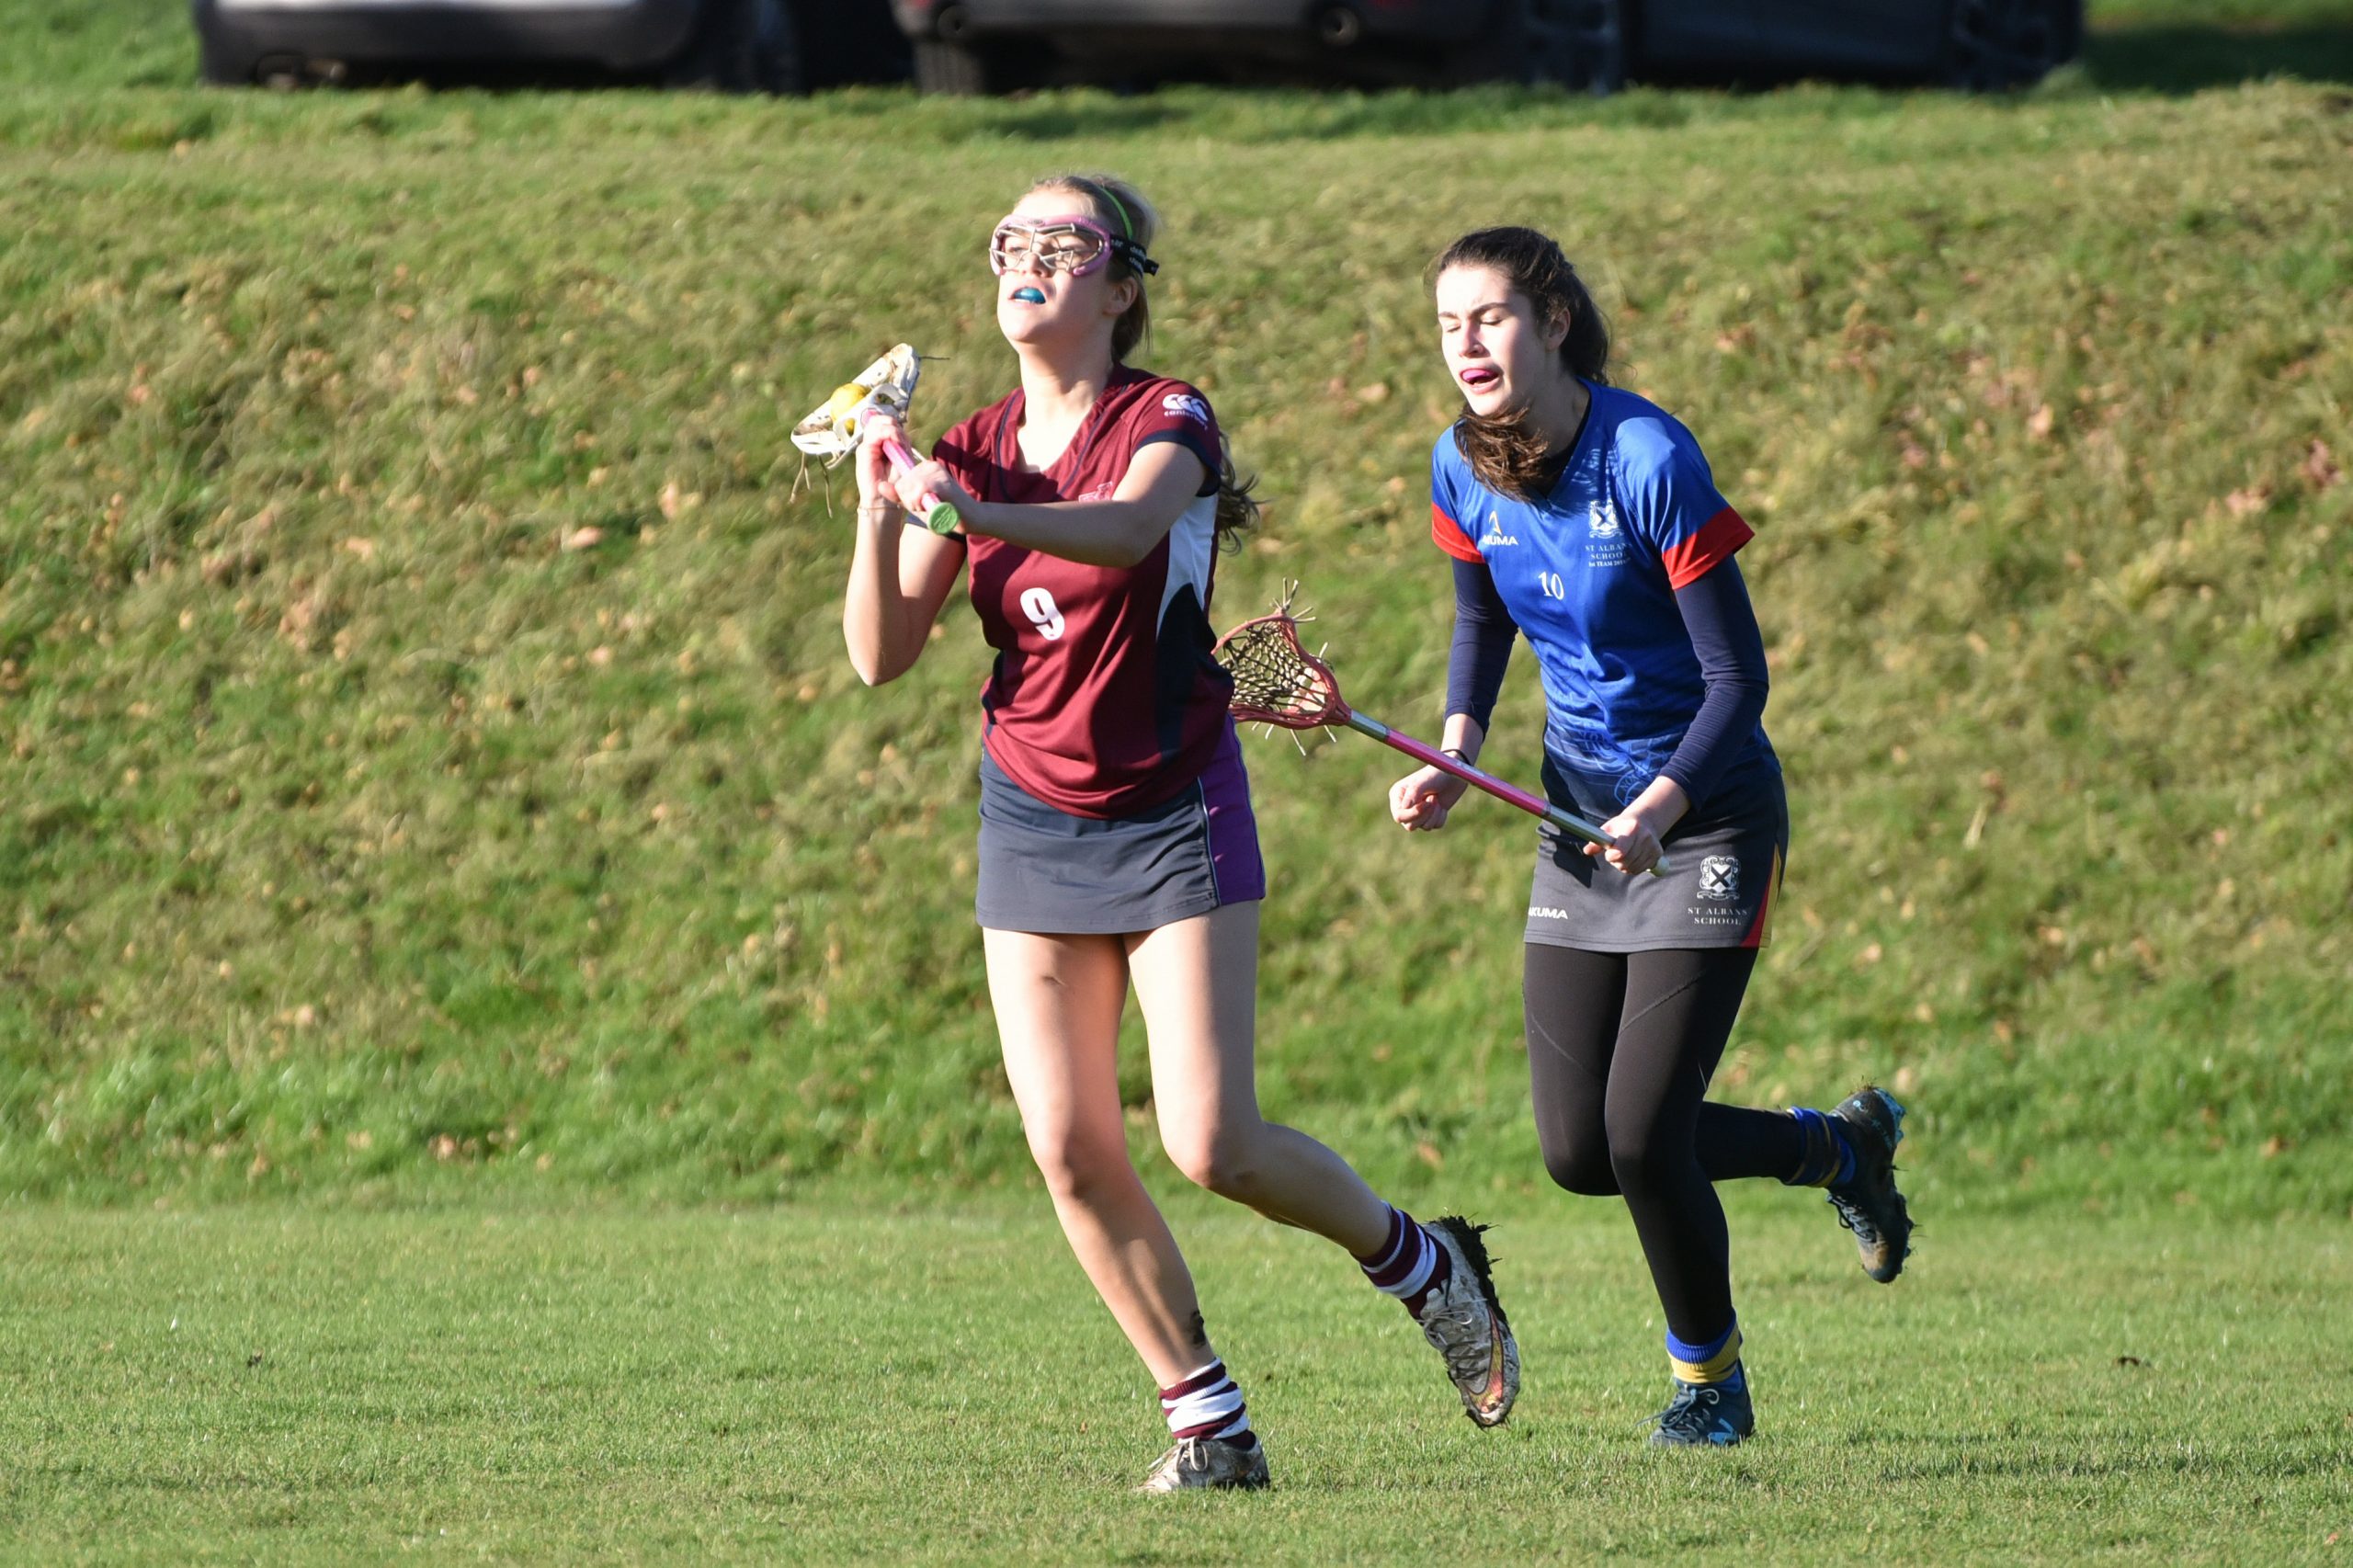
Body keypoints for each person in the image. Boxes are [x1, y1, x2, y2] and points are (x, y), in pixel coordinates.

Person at [841, 173, 1518, 1493]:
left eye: (1064, 243)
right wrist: (883, 497)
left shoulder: (1169, 418)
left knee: (1213, 1142)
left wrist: (959, 510)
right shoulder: (967, 450)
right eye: (1011, 240)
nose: (1029, 258)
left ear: (1121, 286)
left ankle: (1423, 1262)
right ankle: (1210, 1425)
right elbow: (880, 653)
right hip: (1030, 810)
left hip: (1172, 804)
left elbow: (1125, 531)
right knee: (1069, 1148)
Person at [1387, 225, 1915, 1449]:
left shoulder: (1647, 457)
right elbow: (1481, 619)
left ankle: (1708, 1383)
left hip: (1707, 813)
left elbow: (1739, 680)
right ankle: (1838, 1150)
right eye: (1449, 324)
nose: (1467, 344)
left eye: (1491, 317)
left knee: (1644, 1133)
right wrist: (1458, 748)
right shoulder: (1459, 465)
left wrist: (1661, 807)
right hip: (1580, 818)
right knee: (1580, 1148)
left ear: (1553, 321)